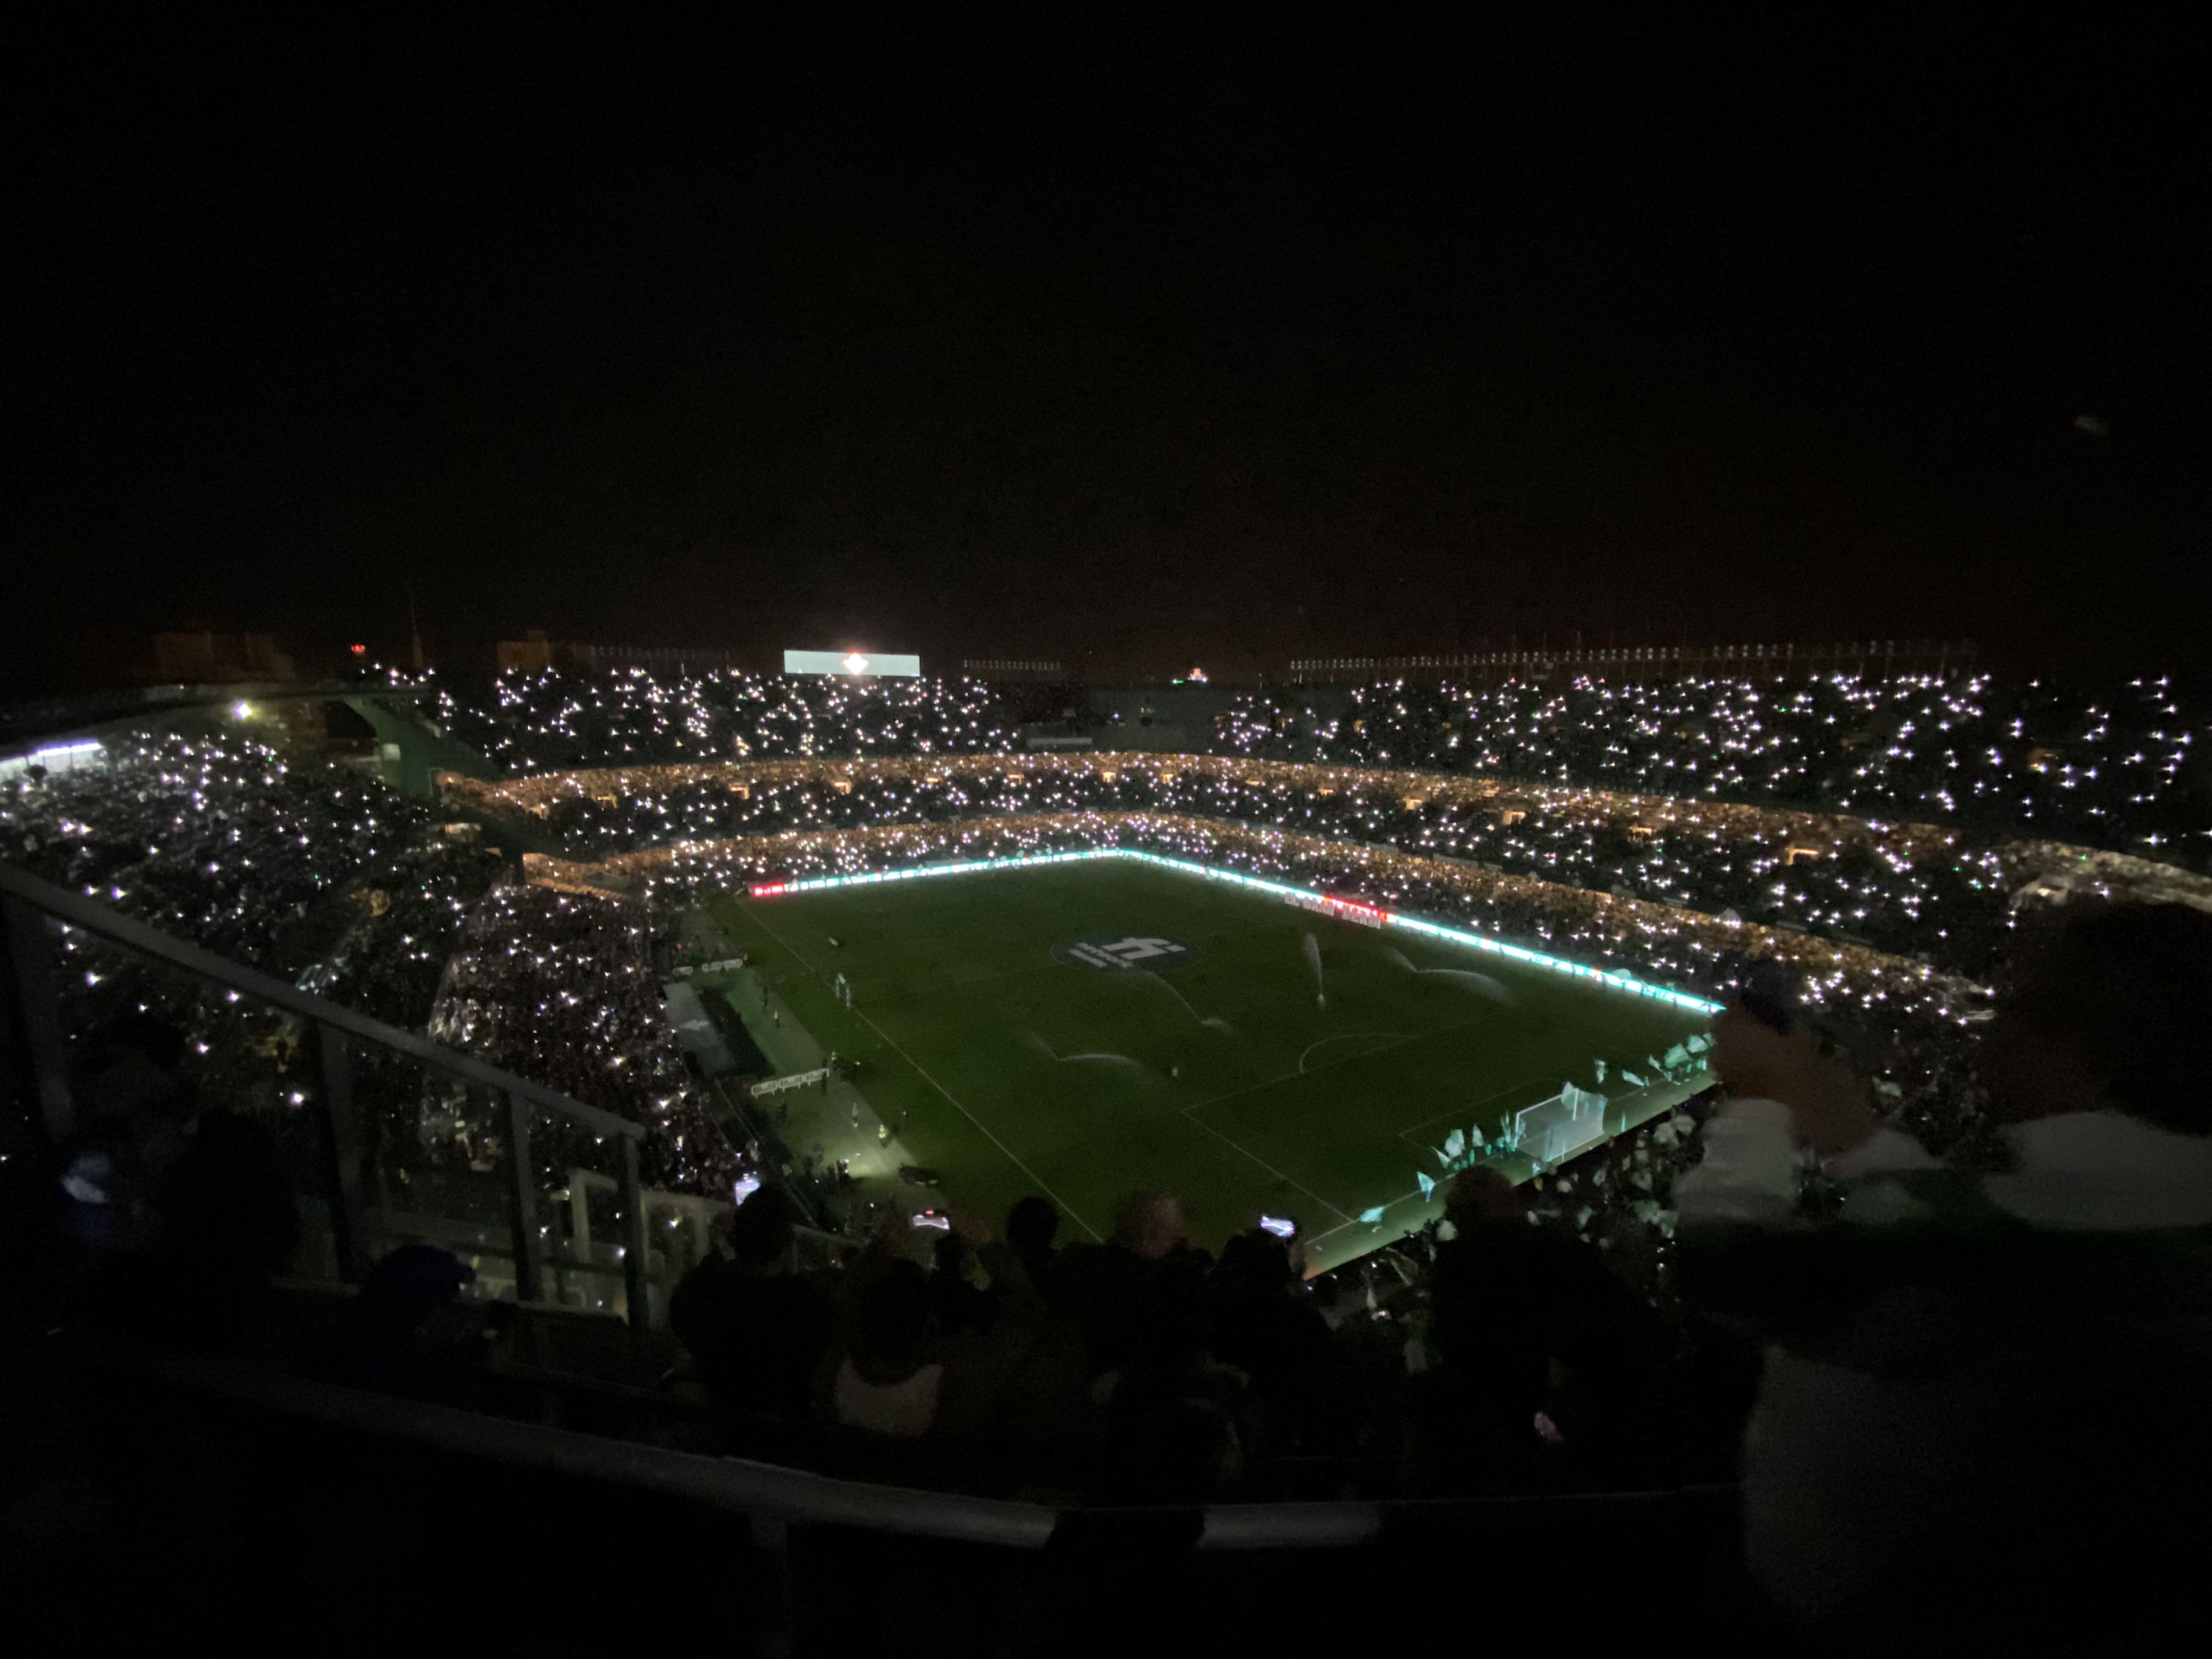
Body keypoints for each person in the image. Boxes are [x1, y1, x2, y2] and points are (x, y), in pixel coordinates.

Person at [1675, 902, 2212, 1650]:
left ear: (2081, 1045)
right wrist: (1842, 1124)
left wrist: (1760, 1101)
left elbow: (1722, 1263)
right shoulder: (2135, 1204)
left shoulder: (2024, 1235)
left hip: (1859, 1627)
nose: (1989, 1027)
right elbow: (1982, 1223)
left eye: (2011, 1005)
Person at [668, 1187, 838, 1420]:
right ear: (788, 1243)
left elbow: (680, 1311)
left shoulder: (709, 1295)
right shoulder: (810, 1301)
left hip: (722, 1422)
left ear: (737, 1238)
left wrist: (720, 1249)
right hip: (791, 1429)